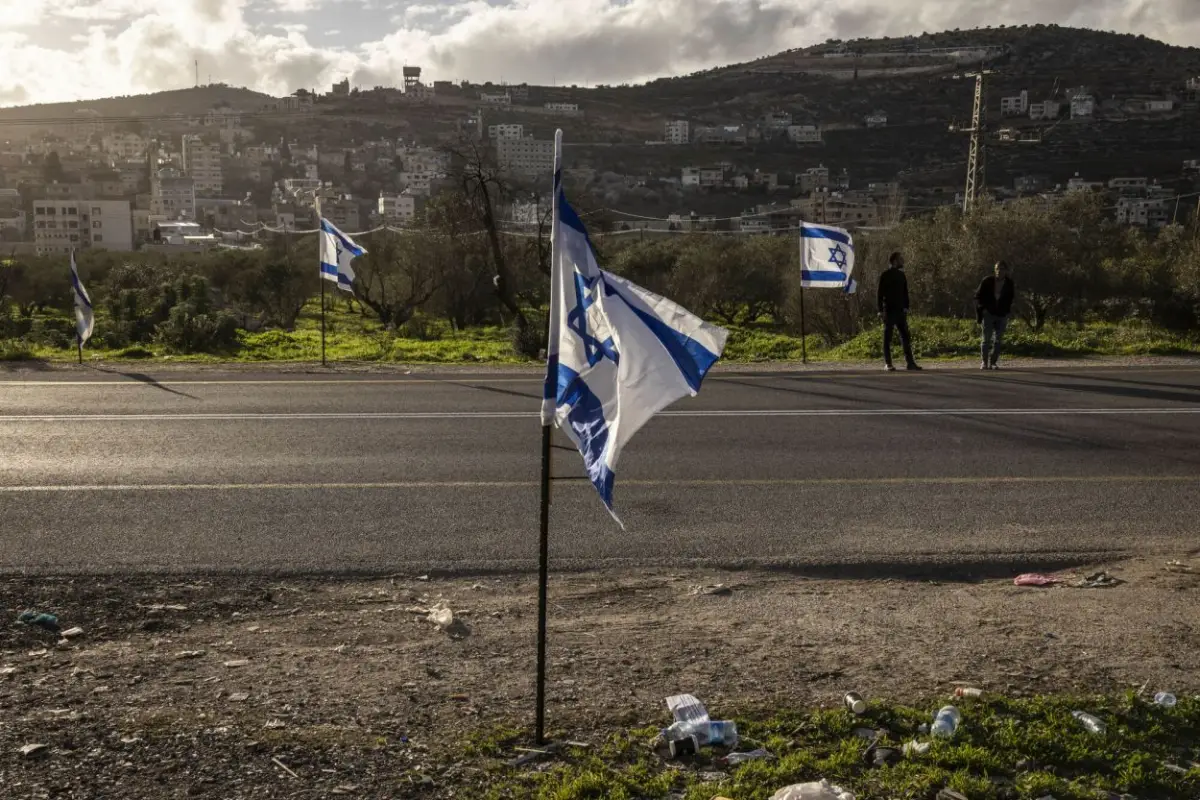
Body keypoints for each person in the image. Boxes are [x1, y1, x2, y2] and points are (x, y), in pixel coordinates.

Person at [877, 251, 920, 371]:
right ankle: (888, 363)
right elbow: (880, 294)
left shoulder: (902, 275)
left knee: (905, 337)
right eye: (900, 259)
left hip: (900, 311)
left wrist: (906, 307)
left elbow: (905, 293)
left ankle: (910, 363)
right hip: (889, 310)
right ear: (895, 261)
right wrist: (880, 310)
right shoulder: (885, 275)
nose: (903, 261)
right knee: (887, 337)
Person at [975, 261, 1015, 370]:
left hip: (1002, 314)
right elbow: (978, 296)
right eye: (997, 268)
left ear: (1006, 271)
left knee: (998, 340)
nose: (999, 271)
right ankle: (984, 362)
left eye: (1001, 269)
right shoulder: (987, 281)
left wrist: (1007, 311)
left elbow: (1011, 298)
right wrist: (982, 310)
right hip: (989, 313)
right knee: (986, 339)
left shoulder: (1009, 283)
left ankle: (993, 362)